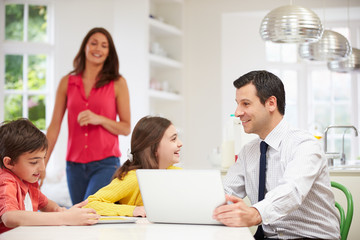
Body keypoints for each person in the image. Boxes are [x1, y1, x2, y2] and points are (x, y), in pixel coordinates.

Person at [213, 70, 340, 239]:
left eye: (245, 104)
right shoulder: (248, 151)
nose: (237, 112)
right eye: (237, 104)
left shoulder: (305, 145)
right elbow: (225, 192)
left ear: (271, 103)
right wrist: (211, 204)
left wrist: (255, 213)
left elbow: (292, 191)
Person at [44, 27, 131, 205]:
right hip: (73, 166)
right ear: (85, 47)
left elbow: (126, 127)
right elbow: (54, 127)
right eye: (93, 43)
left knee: (88, 209)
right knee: (80, 218)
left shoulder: (118, 83)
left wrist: (99, 119)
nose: (98, 49)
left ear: (109, 53)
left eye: (104, 45)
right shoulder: (67, 82)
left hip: (106, 164)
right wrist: (41, 164)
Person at [0, 119, 100, 234]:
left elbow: (48, 205)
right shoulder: (6, 181)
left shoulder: (28, 181)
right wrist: (65, 218)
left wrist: (62, 211)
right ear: (9, 163)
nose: (42, 168)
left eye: (43, 158)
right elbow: (10, 217)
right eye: (34, 162)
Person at [84, 116, 182, 217]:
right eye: (173, 139)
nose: (180, 144)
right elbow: (90, 204)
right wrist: (133, 210)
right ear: (154, 147)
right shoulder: (133, 178)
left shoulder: (177, 174)